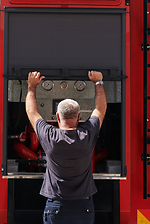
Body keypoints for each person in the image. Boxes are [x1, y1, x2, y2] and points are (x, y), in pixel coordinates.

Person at [25, 70, 107, 224]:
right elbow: (100, 109)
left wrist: (31, 87)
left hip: (56, 207)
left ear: (57, 116)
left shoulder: (50, 136)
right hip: (84, 206)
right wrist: (98, 82)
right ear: (79, 116)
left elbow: (31, 111)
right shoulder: (87, 135)